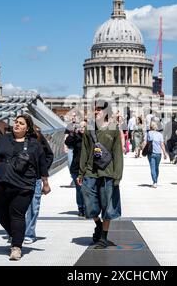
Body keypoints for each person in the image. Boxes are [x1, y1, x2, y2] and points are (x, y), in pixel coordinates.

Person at [0, 114, 51, 260]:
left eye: (21, 123)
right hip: (2, 183)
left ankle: (16, 247)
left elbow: (42, 166)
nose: (17, 125)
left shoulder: (35, 144)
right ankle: (17, 235)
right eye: (16, 122)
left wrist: (45, 184)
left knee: (17, 215)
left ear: (27, 128)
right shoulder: (3, 140)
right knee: (2, 216)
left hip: (24, 186)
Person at [77, 100, 123, 249]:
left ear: (106, 111)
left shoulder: (113, 128)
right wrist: (81, 172)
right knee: (89, 203)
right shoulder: (89, 128)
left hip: (107, 172)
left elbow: (118, 153)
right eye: (94, 109)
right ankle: (98, 223)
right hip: (90, 171)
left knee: (108, 206)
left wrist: (118, 175)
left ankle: (103, 237)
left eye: (99, 109)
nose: (96, 112)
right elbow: (84, 151)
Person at [24, 125, 54, 244]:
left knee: (33, 207)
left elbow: (49, 155)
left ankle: (29, 233)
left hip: (35, 178)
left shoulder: (38, 138)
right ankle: (17, 232)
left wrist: (43, 173)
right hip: (17, 178)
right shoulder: (14, 140)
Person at [65, 120, 87, 217]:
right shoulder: (75, 137)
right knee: (79, 189)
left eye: (84, 126)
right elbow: (67, 142)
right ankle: (81, 208)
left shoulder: (91, 137)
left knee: (87, 189)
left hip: (88, 168)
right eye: (80, 126)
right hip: (76, 167)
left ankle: (88, 207)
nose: (82, 128)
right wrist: (73, 133)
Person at [143, 121, 168, 188]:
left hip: (150, 153)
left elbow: (145, 143)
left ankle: (155, 182)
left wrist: (142, 150)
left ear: (150, 127)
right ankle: (156, 180)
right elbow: (162, 144)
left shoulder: (148, 133)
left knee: (152, 168)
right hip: (158, 154)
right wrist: (165, 153)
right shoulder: (159, 134)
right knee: (156, 167)